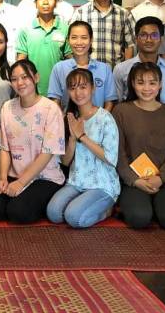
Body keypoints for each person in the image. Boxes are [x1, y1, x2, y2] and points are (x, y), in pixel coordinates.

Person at [0, 60, 65, 224]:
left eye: (25, 77)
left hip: (44, 178)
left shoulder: (51, 109)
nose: (20, 83)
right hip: (14, 174)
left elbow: (48, 153)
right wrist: (2, 178)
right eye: (14, 79)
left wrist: (21, 183)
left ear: (36, 78)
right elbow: (4, 148)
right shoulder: (7, 107)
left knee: (18, 212)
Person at [113, 62, 165, 230]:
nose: (146, 88)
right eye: (140, 82)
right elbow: (119, 153)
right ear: (132, 84)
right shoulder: (121, 111)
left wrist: (160, 179)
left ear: (160, 85)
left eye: (152, 83)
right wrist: (134, 180)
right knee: (139, 218)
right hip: (134, 180)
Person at [47, 69, 120, 228]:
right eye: (72, 88)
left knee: (73, 218)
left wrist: (83, 137)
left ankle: (106, 211)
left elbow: (110, 158)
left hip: (102, 184)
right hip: (77, 181)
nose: (78, 92)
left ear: (93, 88)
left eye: (82, 87)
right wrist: (73, 139)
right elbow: (65, 162)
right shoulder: (71, 118)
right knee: (53, 214)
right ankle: (83, 205)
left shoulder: (105, 118)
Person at [113, 16, 165, 118]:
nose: (149, 40)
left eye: (154, 35)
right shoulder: (121, 69)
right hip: (131, 125)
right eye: (143, 35)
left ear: (161, 39)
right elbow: (117, 106)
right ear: (136, 39)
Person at [71, 0, 135, 68]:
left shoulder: (124, 14)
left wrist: (125, 71)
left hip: (114, 72)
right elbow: (73, 44)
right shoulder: (80, 13)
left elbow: (130, 45)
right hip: (86, 72)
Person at [47, 21, 117, 112]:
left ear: (91, 40)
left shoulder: (104, 69)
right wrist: (64, 122)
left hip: (98, 123)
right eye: (74, 37)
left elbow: (109, 101)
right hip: (68, 123)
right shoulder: (59, 68)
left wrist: (99, 120)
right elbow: (55, 100)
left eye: (84, 38)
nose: (79, 42)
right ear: (68, 40)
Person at [16, 0, 70, 97]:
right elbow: (21, 61)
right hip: (32, 90)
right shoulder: (26, 30)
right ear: (35, 3)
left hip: (59, 90)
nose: (45, 2)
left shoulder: (65, 28)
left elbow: (70, 60)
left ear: (56, 3)